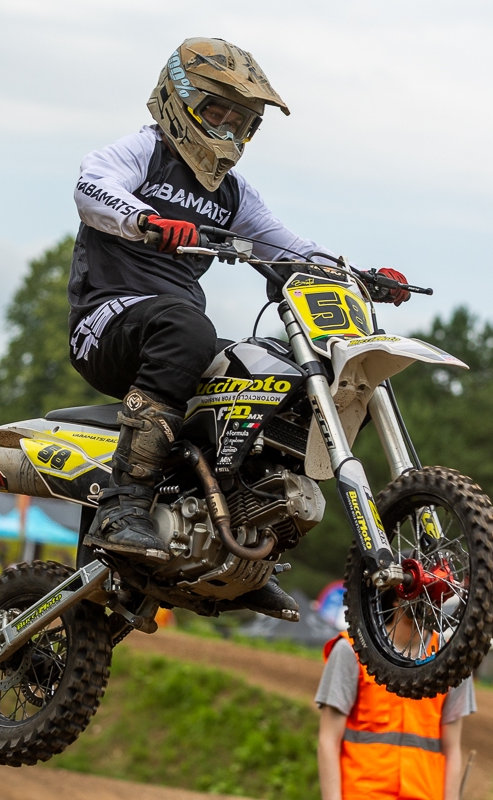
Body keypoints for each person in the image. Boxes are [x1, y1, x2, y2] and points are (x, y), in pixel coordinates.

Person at [68, 37, 410, 620]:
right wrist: (145, 219)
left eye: (242, 121)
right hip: (108, 320)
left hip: (173, 331)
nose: (228, 129)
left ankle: (242, 547)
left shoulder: (233, 193)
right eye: (218, 113)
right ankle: (123, 505)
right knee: (189, 330)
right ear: (179, 99)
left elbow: (289, 246)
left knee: (267, 376)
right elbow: (91, 187)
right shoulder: (145, 152)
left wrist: (357, 274)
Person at [316, 598, 475, 800]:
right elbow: (328, 740)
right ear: (394, 594)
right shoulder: (353, 649)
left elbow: (452, 749)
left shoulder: (453, 662)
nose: (430, 597)